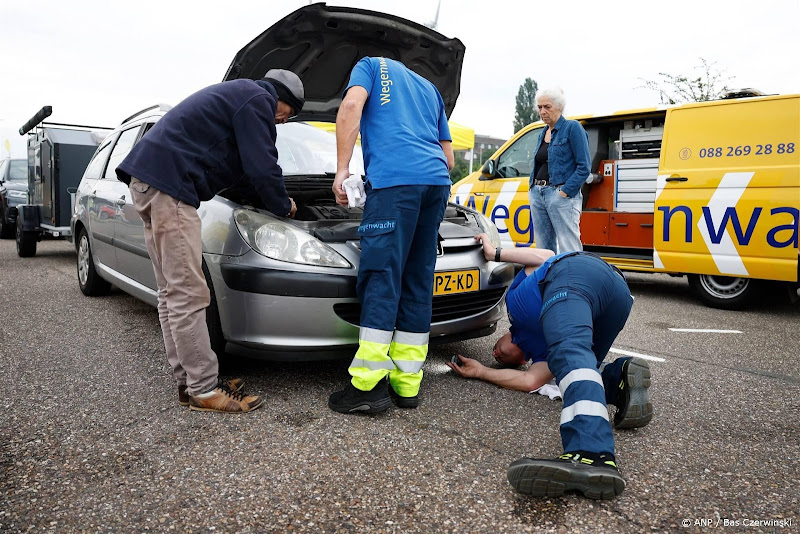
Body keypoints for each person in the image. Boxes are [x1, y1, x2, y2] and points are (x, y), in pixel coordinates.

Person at [116, 70, 305, 413]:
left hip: (148, 181)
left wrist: (261, 197)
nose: (281, 121)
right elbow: (263, 166)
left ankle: (188, 381)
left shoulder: (238, 98)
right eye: (287, 113)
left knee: (172, 292)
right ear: (279, 96)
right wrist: (283, 205)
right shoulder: (257, 98)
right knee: (189, 292)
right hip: (169, 188)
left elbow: (243, 175)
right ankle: (203, 390)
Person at [449, 233, 653, 500]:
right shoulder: (545, 355)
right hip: (616, 294)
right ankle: (620, 380)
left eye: (494, 352)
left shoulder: (516, 307)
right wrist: (481, 371)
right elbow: (529, 382)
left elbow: (544, 256)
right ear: (522, 362)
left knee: (571, 354)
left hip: (572, 273)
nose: (496, 354)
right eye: (500, 360)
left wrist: (494, 253)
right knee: (578, 370)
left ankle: (591, 453)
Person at [328, 56, 455, 414]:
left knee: (382, 277)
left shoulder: (368, 65)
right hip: (435, 184)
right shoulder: (429, 88)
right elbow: (448, 158)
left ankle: (367, 387)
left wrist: (342, 171)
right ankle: (406, 384)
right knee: (417, 278)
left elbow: (352, 105)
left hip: (396, 183)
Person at [528, 87, 591, 254]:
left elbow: (584, 167)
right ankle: (549, 280)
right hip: (538, 194)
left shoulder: (572, 128)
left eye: (547, 107)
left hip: (560, 195)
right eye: (540, 107)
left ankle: (572, 280)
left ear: (559, 107)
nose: (542, 111)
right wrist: (533, 189)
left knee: (568, 247)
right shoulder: (543, 132)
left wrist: (564, 192)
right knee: (543, 249)